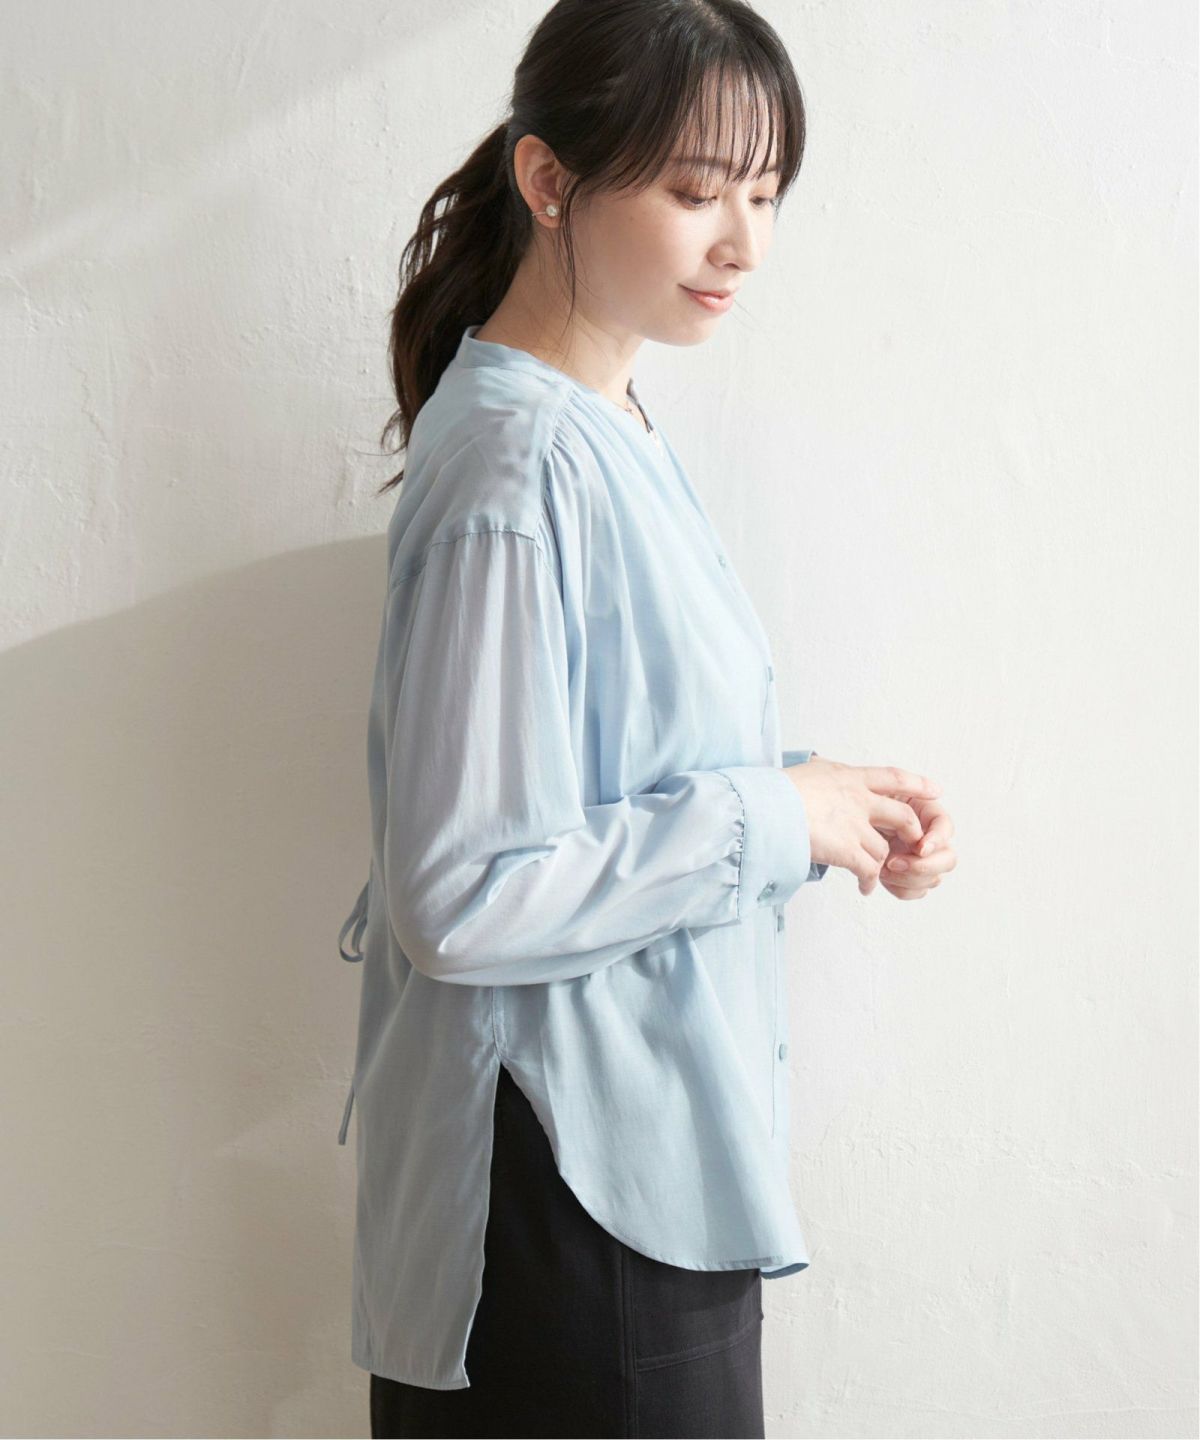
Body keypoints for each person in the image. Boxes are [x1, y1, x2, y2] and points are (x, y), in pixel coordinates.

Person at [334, 1, 958, 1435]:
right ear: (550, 182)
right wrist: (770, 816)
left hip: (635, 1172)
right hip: (577, 1204)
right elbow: (461, 892)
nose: (744, 243)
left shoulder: (603, 422)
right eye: (695, 190)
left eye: (765, 193)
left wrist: (824, 806)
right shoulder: (518, 466)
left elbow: (608, 777)